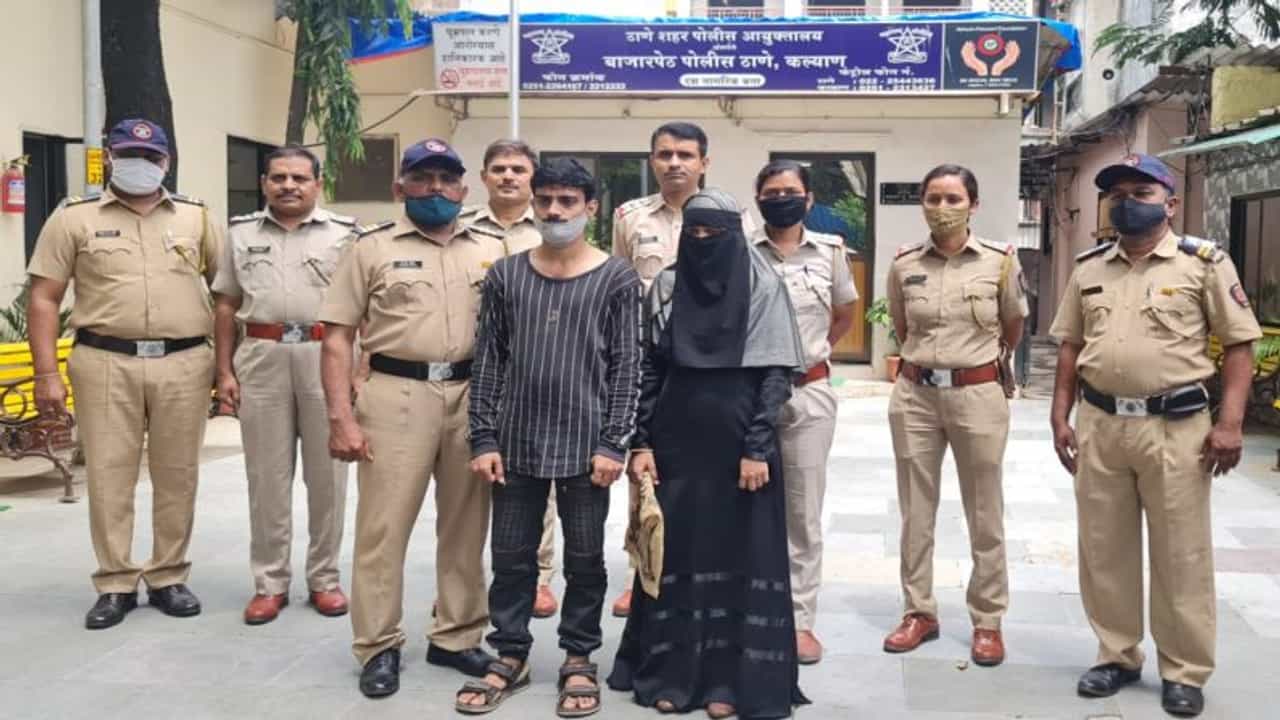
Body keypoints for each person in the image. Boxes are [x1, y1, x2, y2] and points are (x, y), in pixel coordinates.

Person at [1049, 154, 1260, 718]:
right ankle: (1116, 655)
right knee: (1104, 549)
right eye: (1117, 194)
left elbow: (1239, 345)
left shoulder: (1204, 264)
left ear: (1170, 203)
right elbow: (1070, 346)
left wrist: (1230, 423)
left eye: (1141, 192)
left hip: (1176, 429)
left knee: (1180, 553)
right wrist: (1060, 414)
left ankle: (1184, 670)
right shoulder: (1089, 267)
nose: (1127, 202)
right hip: (1101, 426)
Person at [608, 189, 809, 720]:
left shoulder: (763, 284)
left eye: (712, 233)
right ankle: (673, 673)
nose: (702, 241)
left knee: (739, 552)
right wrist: (642, 442)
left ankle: (729, 682)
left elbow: (775, 374)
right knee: (679, 552)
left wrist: (757, 448)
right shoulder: (668, 285)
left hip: (740, 439)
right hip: (677, 440)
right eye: (693, 232)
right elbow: (651, 367)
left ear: (734, 235)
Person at [458, 158, 642, 716]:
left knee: (585, 559)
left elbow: (627, 367)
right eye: (546, 200)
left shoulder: (617, 278)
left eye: (568, 201)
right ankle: (510, 654)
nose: (555, 211)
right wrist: (483, 438)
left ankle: (579, 657)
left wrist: (614, 443)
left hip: (588, 448)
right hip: (515, 443)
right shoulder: (506, 276)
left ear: (591, 207)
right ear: (533, 204)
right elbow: (489, 361)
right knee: (512, 557)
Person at [318, 138, 501, 698]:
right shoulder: (369, 248)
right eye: (423, 178)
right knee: (383, 527)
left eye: (447, 178)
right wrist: (341, 417)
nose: (436, 188)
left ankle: (457, 635)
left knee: (466, 525)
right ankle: (378, 644)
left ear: (464, 189)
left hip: (471, 395)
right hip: (396, 393)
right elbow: (337, 338)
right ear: (401, 187)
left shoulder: (491, 248)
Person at [26, 118, 222, 629]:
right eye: (129, 154)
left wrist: (226, 368)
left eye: (151, 156)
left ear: (167, 162)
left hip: (184, 362)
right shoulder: (74, 217)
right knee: (110, 474)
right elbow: (43, 297)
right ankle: (115, 581)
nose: (141, 164)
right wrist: (46, 375)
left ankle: (168, 575)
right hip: (105, 361)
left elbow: (226, 296)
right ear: (110, 157)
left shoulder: (197, 218)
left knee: (178, 473)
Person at [608, 120, 756, 617]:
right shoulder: (630, 217)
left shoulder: (733, 215)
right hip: (650, 359)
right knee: (644, 472)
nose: (675, 163)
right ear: (652, 160)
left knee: (704, 479)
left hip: (714, 366)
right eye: (665, 154)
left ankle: (702, 573)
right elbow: (621, 285)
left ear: (704, 162)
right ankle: (640, 573)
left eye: (686, 155)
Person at [882, 164, 1027, 667]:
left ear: (973, 205)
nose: (942, 208)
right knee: (915, 511)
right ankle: (918, 612)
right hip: (916, 396)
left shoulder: (1000, 262)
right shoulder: (904, 263)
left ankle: (987, 620)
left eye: (953, 199)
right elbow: (902, 325)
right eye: (933, 199)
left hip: (977, 393)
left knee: (984, 511)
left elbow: (1013, 325)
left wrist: (976, 363)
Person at [211, 144, 360, 625]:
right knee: (267, 478)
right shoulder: (240, 234)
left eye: (299, 178)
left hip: (325, 357)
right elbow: (225, 305)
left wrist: (361, 371)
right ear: (264, 184)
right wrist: (224, 371)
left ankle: (325, 578)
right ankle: (270, 582)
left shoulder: (347, 235)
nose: (289, 186)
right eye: (278, 178)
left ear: (318, 184)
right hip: (263, 356)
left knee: (329, 477)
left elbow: (366, 308)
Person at [750, 160, 858, 665]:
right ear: (758, 199)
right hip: (749, 397)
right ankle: (749, 611)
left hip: (808, 394)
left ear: (809, 199)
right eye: (771, 192)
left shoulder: (830, 252)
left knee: (802, 511)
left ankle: (798, 621)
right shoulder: (742, 252)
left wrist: (810, 356)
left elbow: (844, 314)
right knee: (746, 507)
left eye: (790, 192)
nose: (781, 199)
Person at [458, 138, 560, 620]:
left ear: (532, 177)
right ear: (483, 177)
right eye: (498, 168)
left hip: (533, 376)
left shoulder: (552, 229)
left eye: (519, 169)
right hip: (468, 372)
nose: (508, 176)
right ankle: (463, 582)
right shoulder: (458, 231)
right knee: (469, 487)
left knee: (538, 479)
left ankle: (539, 577)